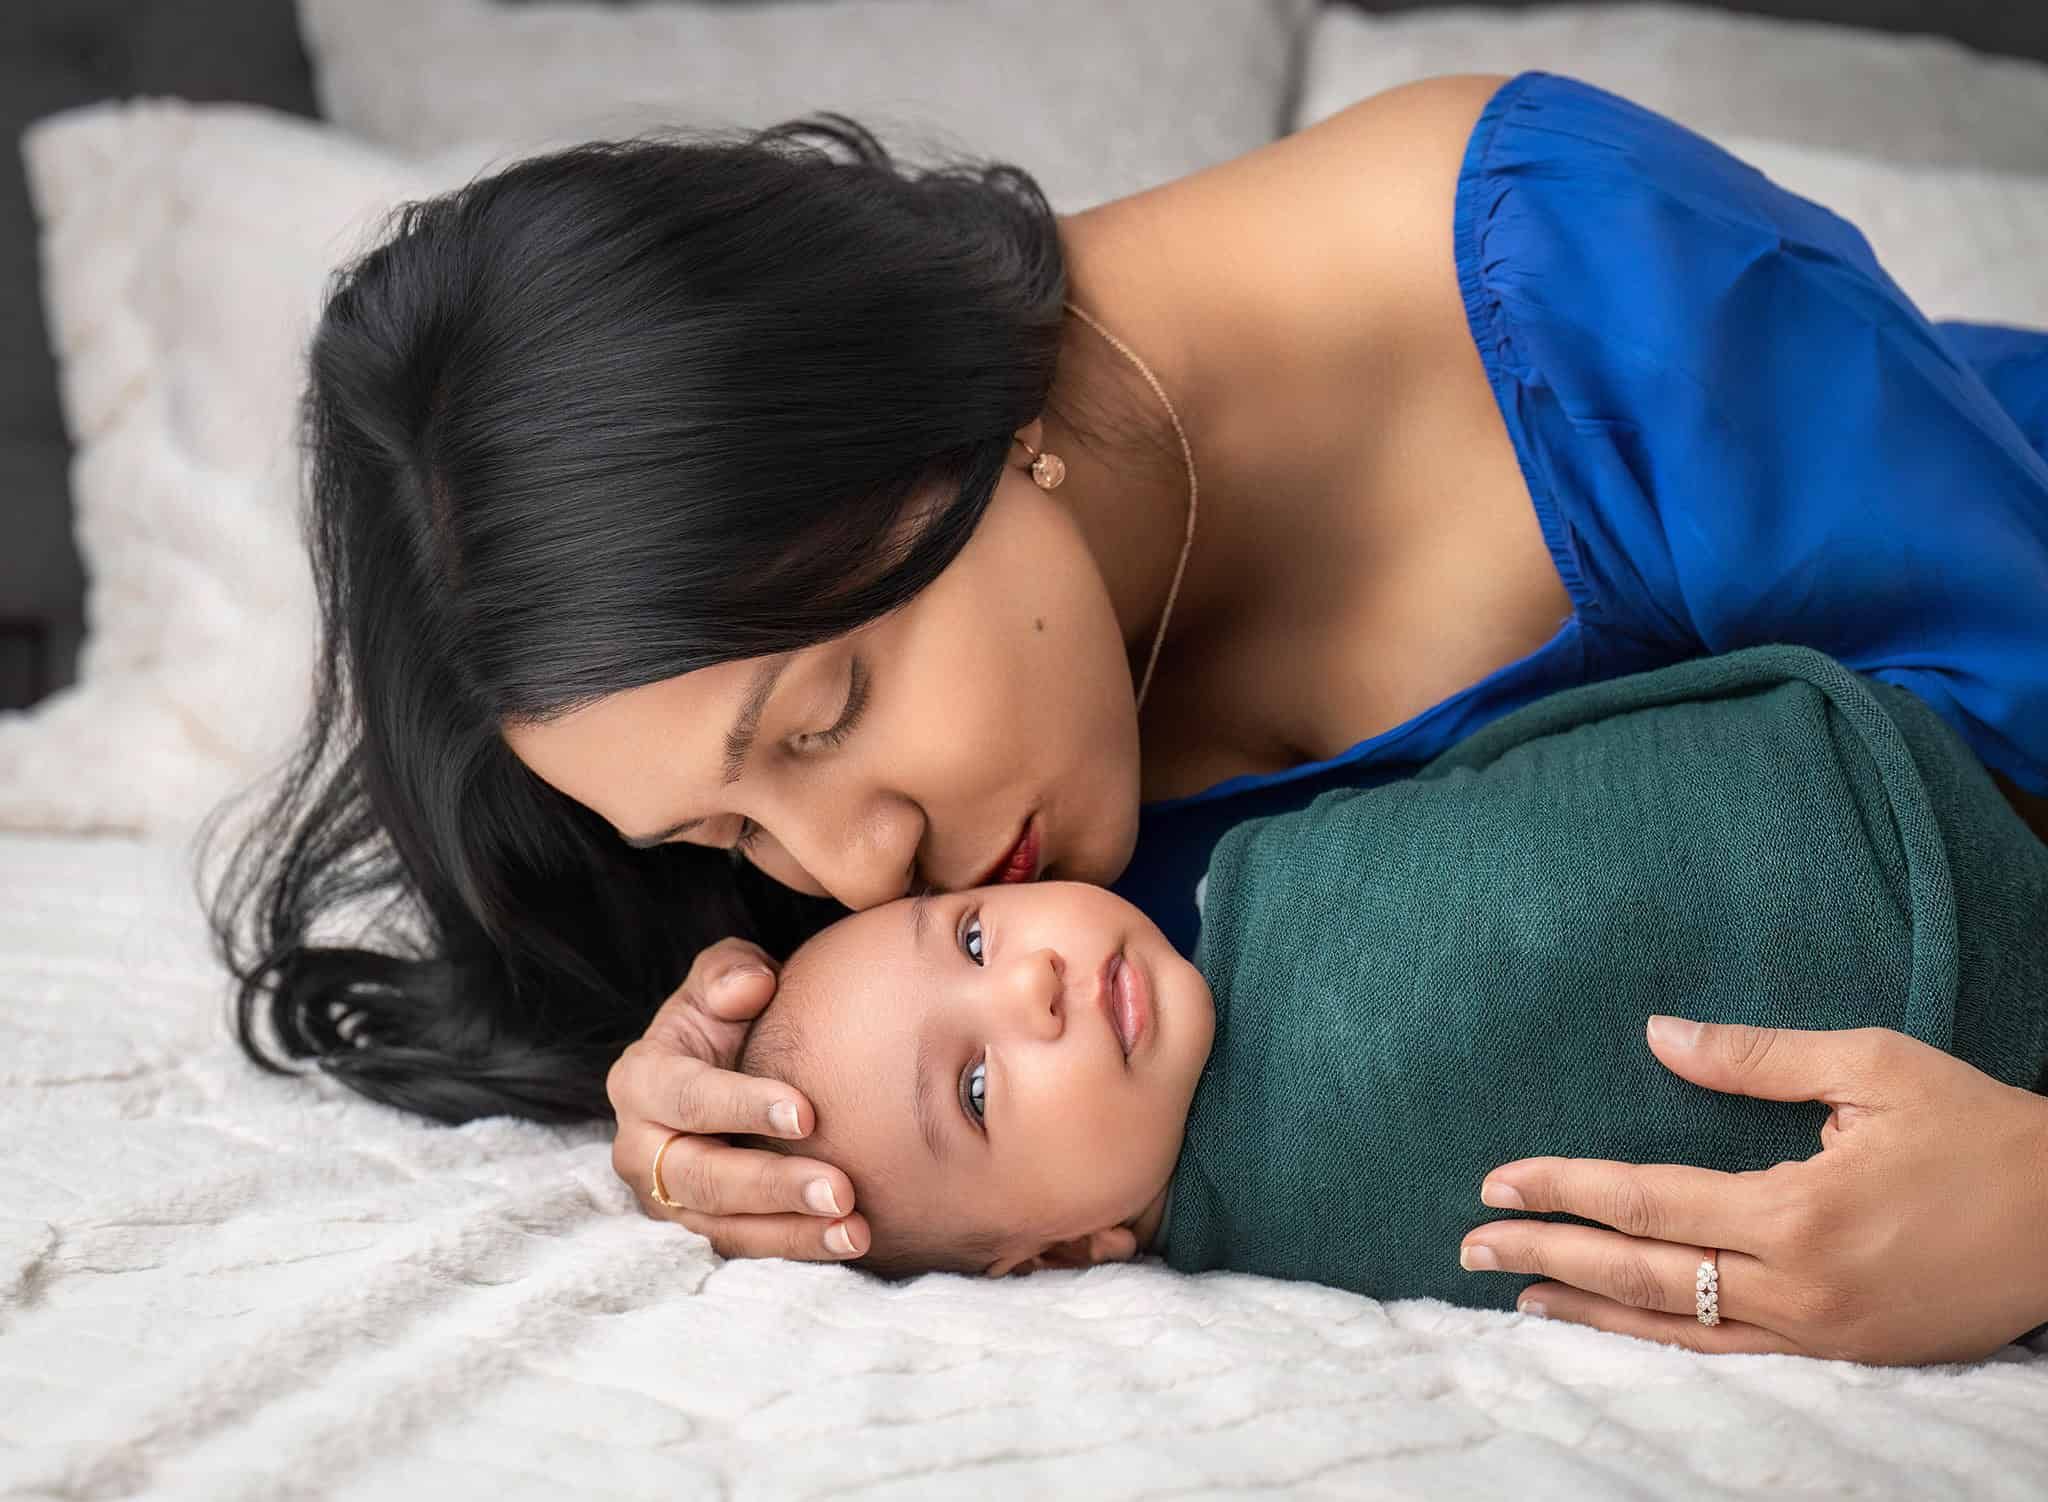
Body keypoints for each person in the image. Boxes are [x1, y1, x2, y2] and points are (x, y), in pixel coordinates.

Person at [207, 68, 2048, 1364]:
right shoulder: (900, 813)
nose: (854, 868)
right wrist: (704, 1102)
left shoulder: (1600, 285)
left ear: (959, 406)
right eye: (727, 829)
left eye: (826, 711)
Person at [714, 646, 2048, 1367]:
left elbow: (1501, 770)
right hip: (1948, 1094)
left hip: (1895, 769)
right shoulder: (1298, 1246)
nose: (1031, 981)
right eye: (976, 1087)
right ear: (1063, 1253)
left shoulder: (1258, 871)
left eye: (972, 933)